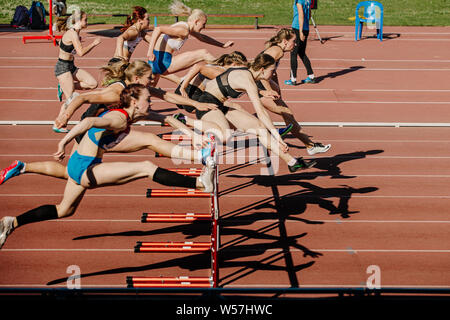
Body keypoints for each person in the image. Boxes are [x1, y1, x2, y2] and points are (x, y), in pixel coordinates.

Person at [0, 84, 216, 249]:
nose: (151, 103)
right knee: (146, 167)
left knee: (64, 210)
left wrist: (193, 136)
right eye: (148, 99)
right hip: (85, 168)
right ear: (134, 101)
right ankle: (200, 183)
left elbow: (167, 118)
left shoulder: (133, 113)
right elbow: (87, 123)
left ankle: (13, 222)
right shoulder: (118, 119)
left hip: (79, 165)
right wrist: (63, 142)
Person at [0, 61, 216, 185]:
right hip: (92, 132)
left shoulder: (139, 90)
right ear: (138, 78)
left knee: (69, 175)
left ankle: (22, 167)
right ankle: (199, 159)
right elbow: (82, 97)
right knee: (149, 140)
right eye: (150, 78)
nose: (153, 81)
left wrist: (196, 104)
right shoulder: (116, 93)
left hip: (106, 130)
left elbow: (167, 96)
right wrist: (65, 116)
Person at [174, 52, 317, 173]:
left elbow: (261, 116)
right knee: (226, 136)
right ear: (262, 69)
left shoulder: (246, 72)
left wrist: (275, 136)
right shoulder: (248, 80)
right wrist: (278, 139)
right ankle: (184, 120)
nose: (273, 74)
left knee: (260, 128)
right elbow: (261, 112)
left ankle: (292, 162)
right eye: (272, 70)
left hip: (220, 104)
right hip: (206, 102)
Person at [258, 28, 330, 155]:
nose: (295, 44)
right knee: (286, 113)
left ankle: (310, 145)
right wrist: (269, 91)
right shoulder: (277, 52)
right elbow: (262, 75)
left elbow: (272, 72)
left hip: (262, 85)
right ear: (285, 41)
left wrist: (277, 89)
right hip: (259, 87)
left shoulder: (277, 50)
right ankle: (307, 145)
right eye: (294, 41)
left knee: (286, 115)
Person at [146, 0, 234, 87]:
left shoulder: (185, 27)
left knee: (150, 88)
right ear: (196, 21)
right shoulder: (183, 30)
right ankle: (226, 74)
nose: (204, 27)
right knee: (203, 53)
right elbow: (158, 29)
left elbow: (202, 37)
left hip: (155, 61)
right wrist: (150, 51)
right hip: (163, 63)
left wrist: (222, 45)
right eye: (203, 24)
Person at [54, 8, 101, 132]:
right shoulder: (73, 33)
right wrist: (94, 44)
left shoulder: (76, 34)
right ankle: (58, 123)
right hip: (63, 68)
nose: (87, 21)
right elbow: (80, 53)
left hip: (71, 66)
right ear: (78, 21)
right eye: (85, 20)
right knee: (72, 99)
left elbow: (65, 46)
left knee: (92, 83)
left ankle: (64, 86)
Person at [285, 0, 316, 85]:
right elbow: (309, 15)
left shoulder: (299, 1)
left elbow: (301, 15)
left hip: (298, 28)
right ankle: (311, 76)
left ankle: (293, 79)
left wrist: (301, 31)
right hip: (306, 28)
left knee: (293, 53)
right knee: (302, 53)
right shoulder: (308, 0)